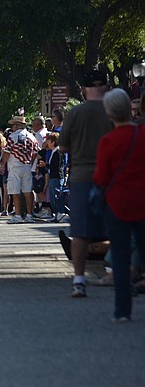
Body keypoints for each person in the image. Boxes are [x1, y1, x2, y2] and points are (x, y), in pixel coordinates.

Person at [59, 69, 115, 298]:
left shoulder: (74, 113)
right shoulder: (115, 112)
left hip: (82, 176)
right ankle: (115, 272)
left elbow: (62, 147)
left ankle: (79, 279)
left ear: (83, 89)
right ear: (107, 87)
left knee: (80, 232)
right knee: (117, 228)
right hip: (112, 176)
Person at [93, 88, 145, 322]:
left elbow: (102, 177)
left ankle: (123, 310)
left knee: (121, 258)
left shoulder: (108, 141)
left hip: (118, 205)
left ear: (109, 114)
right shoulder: (142, 135)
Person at [0, 116, 40, 223]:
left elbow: (7, 153)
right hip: (27, 166)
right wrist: (30, 163)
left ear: (17, 125)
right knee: (28, 191)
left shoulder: (13, 137)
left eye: (13, 125)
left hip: (15, 166)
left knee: (15, 191)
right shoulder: (32, 137)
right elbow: (35, 153)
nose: (12, 127)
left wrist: (3, 165)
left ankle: (18, 215)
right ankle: (29, 214)